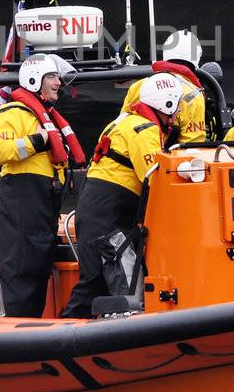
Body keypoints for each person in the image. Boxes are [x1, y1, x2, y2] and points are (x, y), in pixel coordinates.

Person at [61, 73, 184, 319]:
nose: (179, 109)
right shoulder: (144, 129)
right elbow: (153, 178)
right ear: (166, 103)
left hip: (95, 203)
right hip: (110, 209)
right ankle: (66, 330)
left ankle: (75, 330)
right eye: (177, 103)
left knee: (99, 277)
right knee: (99, 278)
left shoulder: (124, 121)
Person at [0, 53, 83, 317]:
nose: (58, 83)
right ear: (34, 79)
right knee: (22, 270)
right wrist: (36, 141)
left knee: (39, 270)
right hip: (22, 203)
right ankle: (18, 330)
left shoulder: (47, 116)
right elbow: (1, 151)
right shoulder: (10, 113)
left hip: (43, 205)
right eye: (52, 77)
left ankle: (34, 325)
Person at [121, 29, 208, 144]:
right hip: (164, 159)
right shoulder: (194, 96)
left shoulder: (137, 87)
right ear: (197, 58)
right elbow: (192, 147)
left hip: (130, 156)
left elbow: (122, 127)